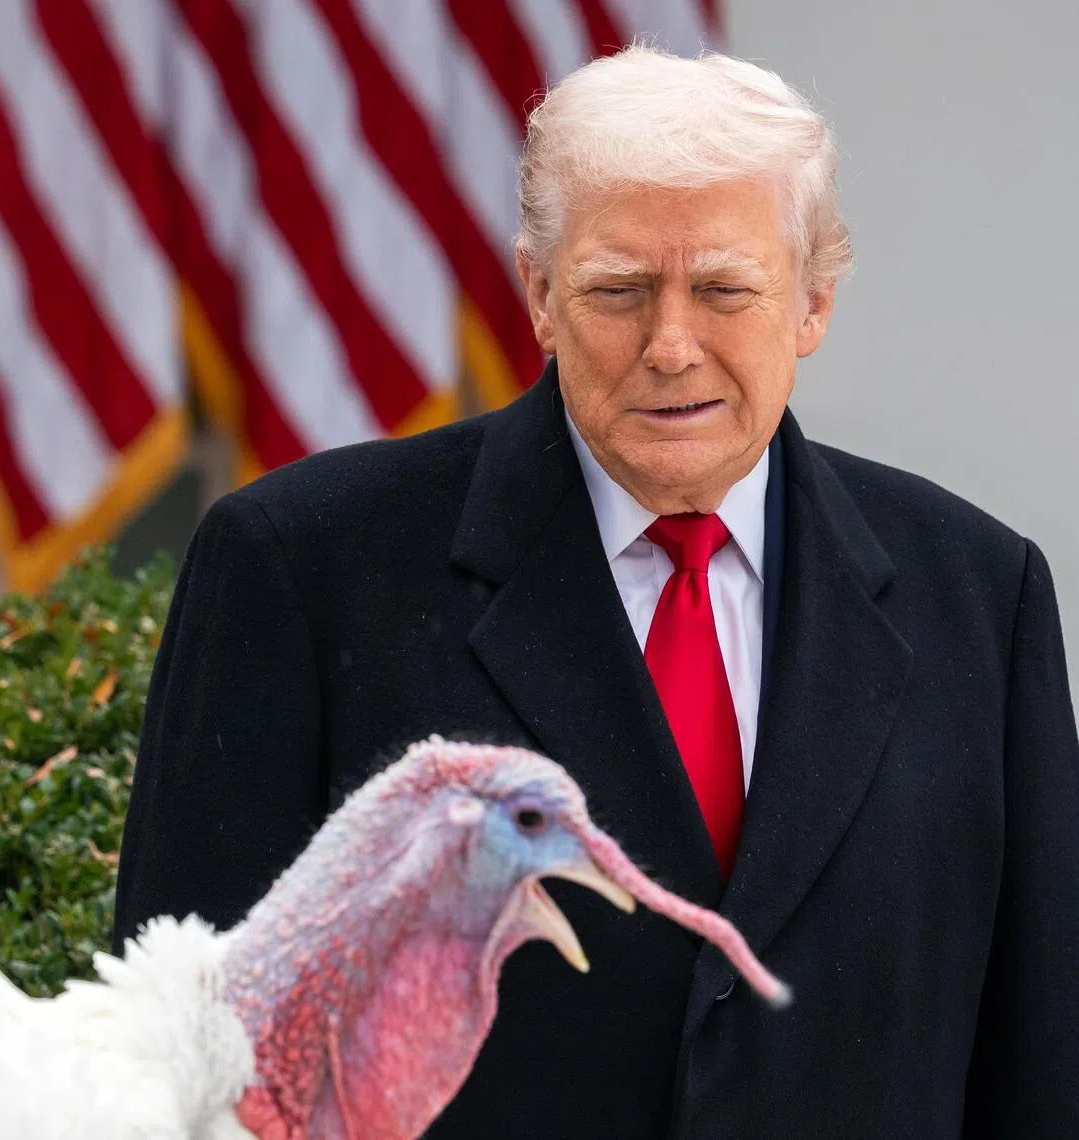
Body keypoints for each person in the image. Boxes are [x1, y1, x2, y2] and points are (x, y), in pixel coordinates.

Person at [113, 46, 1079, 1137]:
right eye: (618, 291)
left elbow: (1043, 1068)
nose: (671, 346)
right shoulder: (301, 568)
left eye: (723, 289)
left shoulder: (982, 597)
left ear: (813, 301)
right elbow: (182, 1067)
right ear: (539, 293)